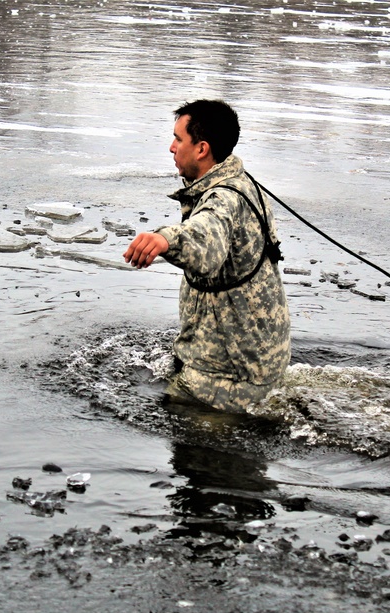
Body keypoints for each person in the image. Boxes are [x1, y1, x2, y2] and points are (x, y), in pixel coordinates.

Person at [123, 100, 291, 413]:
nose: (171, 147)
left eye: (178, 139)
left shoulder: (225, 198)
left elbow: (206, 241)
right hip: (253, 362)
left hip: (227, 381)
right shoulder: (239, 182)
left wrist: (165, 239)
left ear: (202, 149)